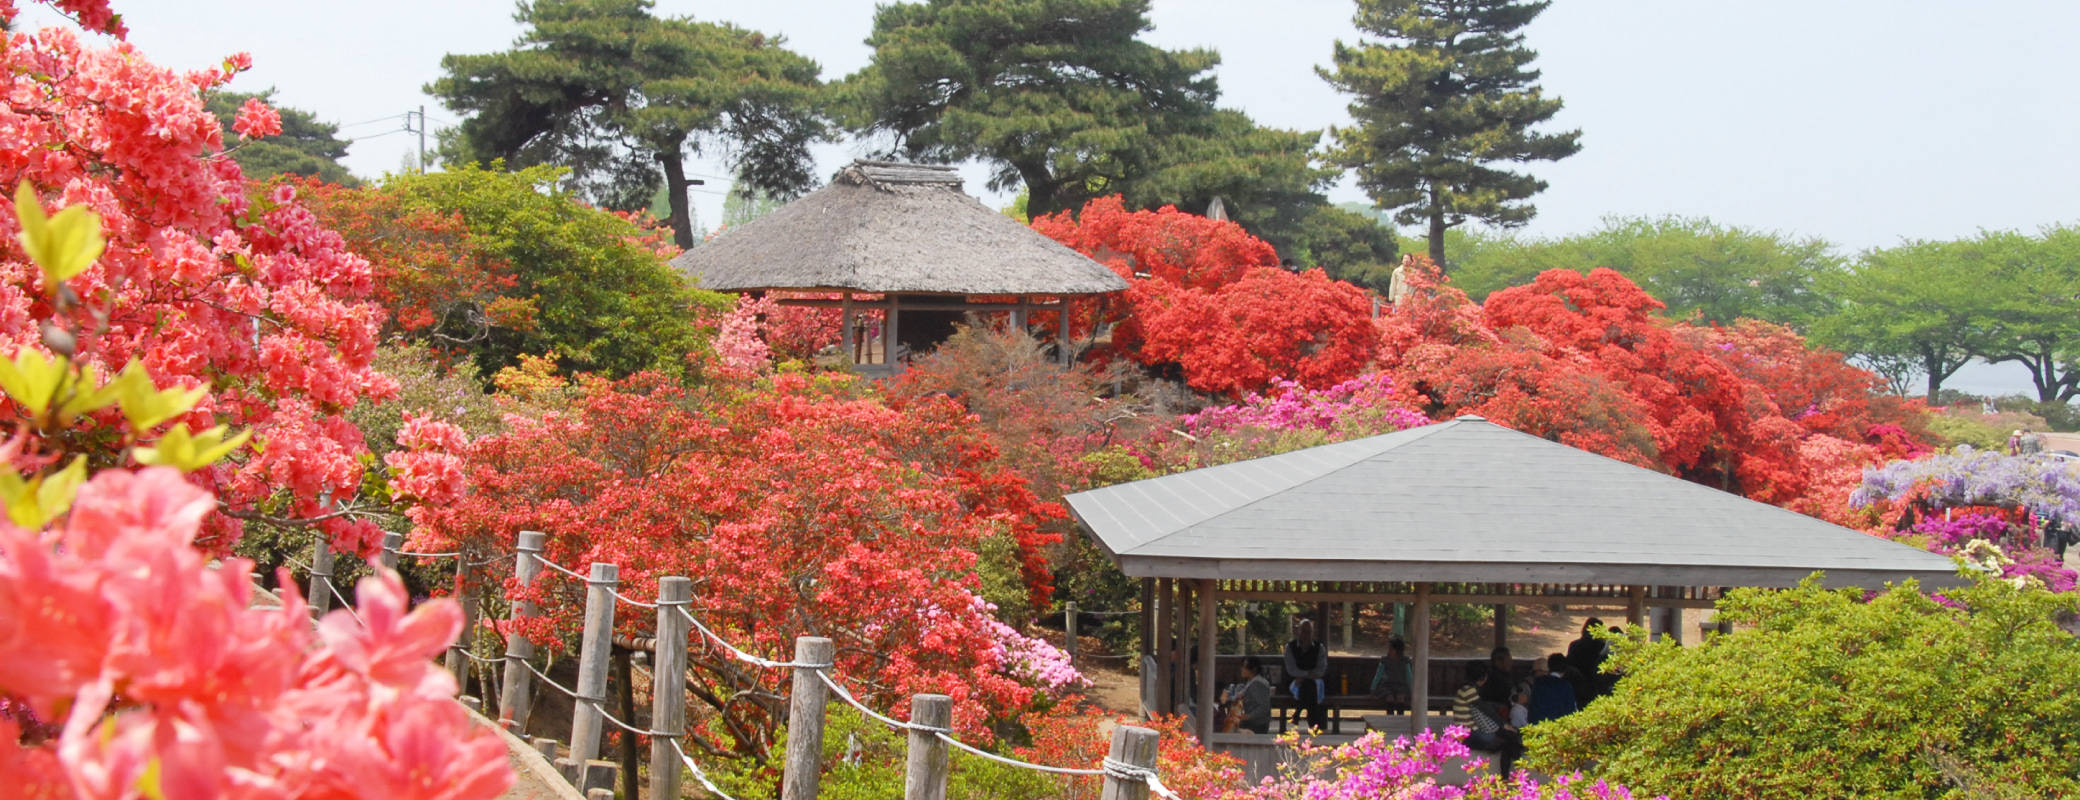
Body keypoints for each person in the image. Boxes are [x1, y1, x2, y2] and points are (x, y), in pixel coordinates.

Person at [1452, 662, 1525, 774]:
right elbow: (1484, 709)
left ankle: (1515, 773)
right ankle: (1515, 773)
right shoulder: (1469, 690)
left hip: (1472, 731)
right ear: (1483, 677)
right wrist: (1503, 724)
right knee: (1509, 742)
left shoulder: (1466, 689)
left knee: (1510, 739)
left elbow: (1484, 705)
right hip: (1470, 734)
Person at [1283, 618, 1329, 731]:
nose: (1305, 634)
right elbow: (1291, 669)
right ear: (1298, 631)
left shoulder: (1319, 648)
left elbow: (1321, 669)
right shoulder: (1290, 647)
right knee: (1307, 686)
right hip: (1295, 682)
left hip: (1315, 682)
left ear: (1312, 633)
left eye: (1308, 632)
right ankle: (1313, 720)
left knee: (1309, 685)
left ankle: (1298, 712)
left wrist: (1304, 677)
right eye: (1303, 631)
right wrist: (1307, 674)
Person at [1223, 656, 1273, 734]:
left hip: (1258, 723)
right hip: (1252, 721)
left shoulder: (1258, 684)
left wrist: (1248, 716)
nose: (1242, 669)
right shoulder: (1252, 681)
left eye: (1245, 667)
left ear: (1253, 669)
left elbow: (1263, 707)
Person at [1527, 656, 1579, 724]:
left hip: (1536, 725)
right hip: (1556, 727)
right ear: (1565, 670)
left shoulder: (1538, 682)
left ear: (1548, 667)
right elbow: (1571, 711)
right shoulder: (1566, 686)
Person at [1370, 636, 1413, 710]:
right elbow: (1378, 675)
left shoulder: (1405, 661)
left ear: (1397, 650)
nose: (1388, 651)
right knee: (1389, 698)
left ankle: (1400, 719)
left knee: (1400, 698)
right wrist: (1373, 689)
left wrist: (1412, 690)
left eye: (1391, 649)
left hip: (1401, 686)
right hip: (1387, 686)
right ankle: (1390, 718)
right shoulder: (1384, 660)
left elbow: (1409, 676)